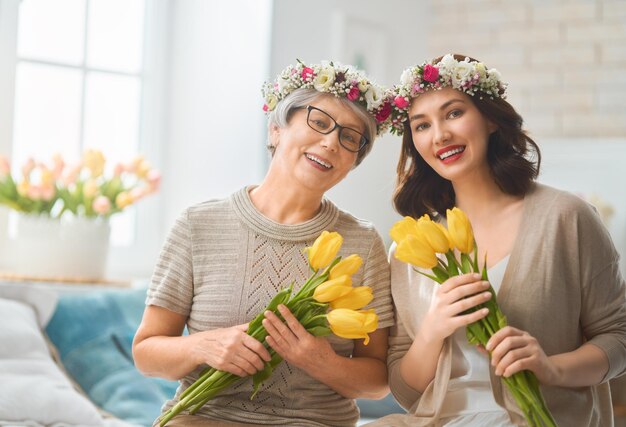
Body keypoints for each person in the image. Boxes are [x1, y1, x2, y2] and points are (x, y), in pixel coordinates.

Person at [366, 54, 626, 427]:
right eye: (421, 125)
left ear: (489, 118)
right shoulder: (410, 247)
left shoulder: (566, 217)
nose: (439, 135)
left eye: (453, 113)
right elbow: (406, 392)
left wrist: (551, 369)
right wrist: (434, 329)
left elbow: (618, 338)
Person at [132, 60, 395, 427]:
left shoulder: (362, 243)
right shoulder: (198, 225)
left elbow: (378, 380)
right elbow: (146, 353)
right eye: (319, 122)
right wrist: (203, 346)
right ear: (275, 130)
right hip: (204, 418)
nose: (331, 142)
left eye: (350, 137)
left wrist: (322, 362)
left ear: (352, 162)